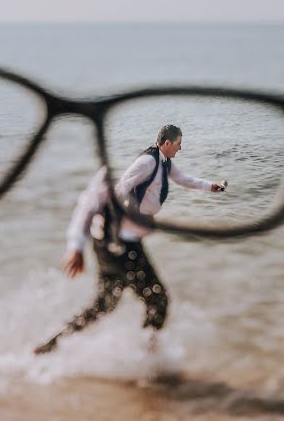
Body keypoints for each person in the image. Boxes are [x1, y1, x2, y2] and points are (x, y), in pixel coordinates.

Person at [34, 124, 226, 355]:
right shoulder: (121, 171)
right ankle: (148, 358)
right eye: (178, 145)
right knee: (158, 301)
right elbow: (87, 206)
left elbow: (182, 178)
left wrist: (209, 186)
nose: (180, 149)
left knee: (105, 304)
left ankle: (53, 343)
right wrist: (76, 246)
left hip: (121, 244)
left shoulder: (158, 162)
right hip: (117, 246)